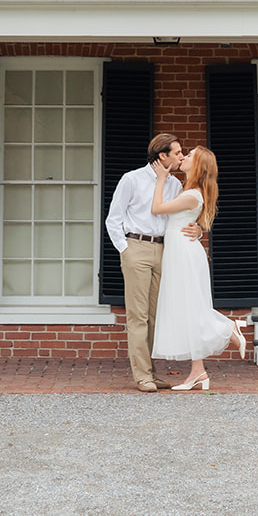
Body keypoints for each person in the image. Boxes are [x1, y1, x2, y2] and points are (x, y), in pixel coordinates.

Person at [104, 133, 202, 392]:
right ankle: (142, 376)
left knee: (156, 316)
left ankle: (152, 373)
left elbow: (183, 216)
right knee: (138, 316)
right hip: (136, 248)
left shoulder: (174, 184)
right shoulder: (132, 179)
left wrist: (199, 231)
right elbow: (113, 219)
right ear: (163, 155)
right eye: (177, 152)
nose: (181, 156)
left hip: (164, 250)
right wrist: (125, 250)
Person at [149, 145, 247, 390]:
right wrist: (200, 229)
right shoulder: (189, 190)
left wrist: (160, 179)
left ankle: (228, 328)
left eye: (189, 155)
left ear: (198, 165)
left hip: (184, 254)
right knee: (186, 309)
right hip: (179, 252)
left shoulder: (192, 193)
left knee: (191, 307)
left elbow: (157, 209)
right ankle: (198, 372)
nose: (184, 156)